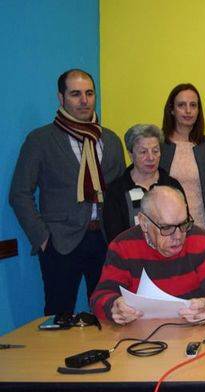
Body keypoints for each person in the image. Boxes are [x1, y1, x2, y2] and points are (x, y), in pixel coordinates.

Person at [90, 185, 205, 392]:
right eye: (166, 228)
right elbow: (100, 295)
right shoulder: (123, 246)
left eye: (183, 224)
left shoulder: (204, 242)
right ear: (143, 223)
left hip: (188, 355)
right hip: (137, 352)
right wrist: (113, 306)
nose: (178, 236)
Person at [9, 68, 125, 315]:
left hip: (105, 241)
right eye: (75, 94)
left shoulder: (111, 140)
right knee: (58, 315)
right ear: (61, 98)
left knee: (109, 314)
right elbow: (19, 193)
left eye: (89, 93)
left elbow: (120, 193)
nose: (84, 101)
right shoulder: (40, 140)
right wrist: (43, 238)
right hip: (60, 242)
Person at [159, 83, 205, 232]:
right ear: (172, 110)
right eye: (181, 105)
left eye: (193, 105)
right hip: (168, 231)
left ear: (199, 110)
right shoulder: (159, 147)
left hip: (203, 230)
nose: (188, 111)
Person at [102, 124, 185, 241]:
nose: (151, 157)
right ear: (131, 155)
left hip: (170, 250)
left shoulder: (172, 186)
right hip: (130, 251)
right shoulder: (117, 191)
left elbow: (183, 226)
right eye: (143, 152)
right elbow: (115, 237)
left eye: (155, 151)